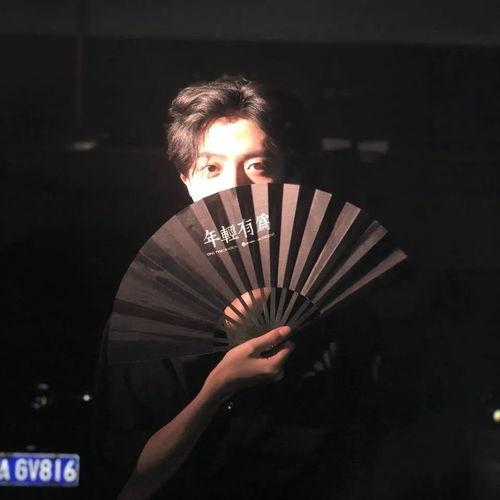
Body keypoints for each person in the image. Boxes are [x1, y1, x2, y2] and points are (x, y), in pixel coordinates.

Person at [94, 77, 380, 499]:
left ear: (287, 177)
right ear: (187, 181)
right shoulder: (145, 320)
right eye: (211, 168)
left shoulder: (342, 308)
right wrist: (218, 389)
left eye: (257, 166)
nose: (234, 188)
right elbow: (129, 482)